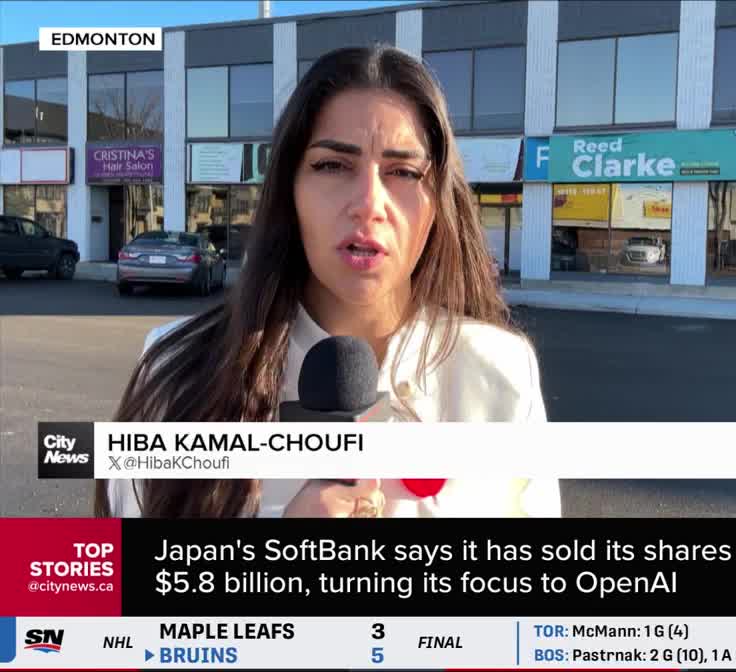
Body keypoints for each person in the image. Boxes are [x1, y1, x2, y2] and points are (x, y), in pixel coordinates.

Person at [94, 45, 560, 519]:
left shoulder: (499, 374)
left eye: (403, 172)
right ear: (289, 191)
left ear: (439, 202)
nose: (368, 203)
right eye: (332, 165)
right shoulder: (177, 371)